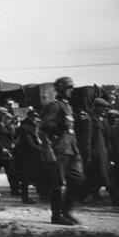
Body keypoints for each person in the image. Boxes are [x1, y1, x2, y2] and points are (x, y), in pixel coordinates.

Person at [39, 76, 85, 226]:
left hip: (72, 148)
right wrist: (54, 138)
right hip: (60, 148)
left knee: (77, 179)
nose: (71, 90)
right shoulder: (55, 106)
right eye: (68, 88)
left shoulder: (68, 106)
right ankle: (56, 215)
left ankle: (66, 211)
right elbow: (44, 126)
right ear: (60, 89)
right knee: (57, 183)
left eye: (72, 87)